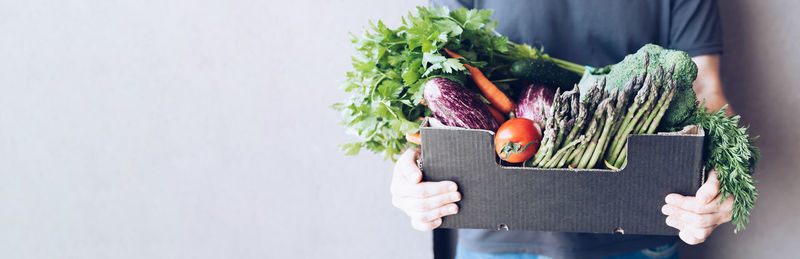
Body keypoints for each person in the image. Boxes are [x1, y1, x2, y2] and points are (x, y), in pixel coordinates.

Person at [390, 0, 734, 258]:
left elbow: (704, 88)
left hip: (635, 227)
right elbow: (442, 84)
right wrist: (416, 164)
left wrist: (727, 172)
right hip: (495, 228)